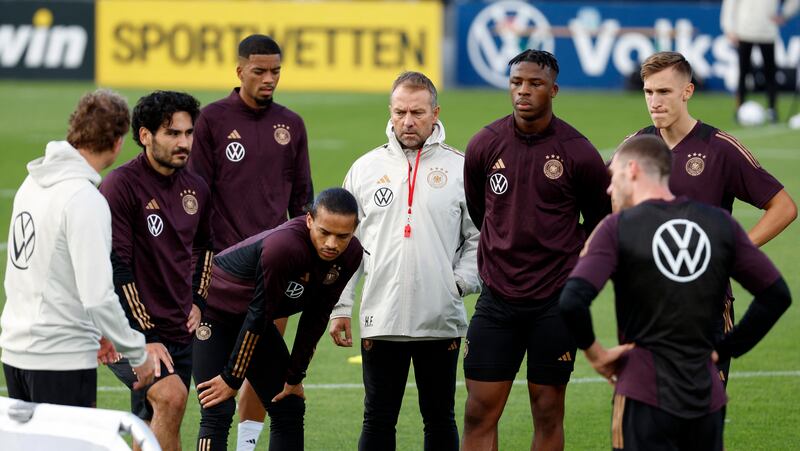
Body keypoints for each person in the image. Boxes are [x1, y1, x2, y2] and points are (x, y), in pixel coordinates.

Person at [559, 134, 792, 450]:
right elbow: (776, 295)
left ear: (633, 171)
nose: (610, 190)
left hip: (643, 391)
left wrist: (597, 356)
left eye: (613, 179)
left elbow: (573, 300)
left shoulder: (617, 228)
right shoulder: (719, 223)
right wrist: (726, 349)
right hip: (706, 396)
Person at [461, 49, 611, 450]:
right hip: (497, 300)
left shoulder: (579, 152)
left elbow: (601, 222)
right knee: (478, 411)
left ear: (554, 90)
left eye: (534, 84)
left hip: (555, 303)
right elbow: (481, 212)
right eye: (516, 82)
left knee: (547, 410)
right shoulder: (484, 145)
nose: (523, 91)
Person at [328, 71, 480, 451]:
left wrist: (458, 283)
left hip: (440, 319)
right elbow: (345, 245)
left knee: (439, 417)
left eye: (417, 112)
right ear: (390, 112)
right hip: (381, 317)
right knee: (377, 417)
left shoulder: (462, 169)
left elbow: (481, 239)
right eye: (400, 112)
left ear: (435, 113)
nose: (408, 121)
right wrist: (340, 307)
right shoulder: (364, 169)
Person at [629, 51, 796, 383]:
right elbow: (601, 209)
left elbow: (783, 207)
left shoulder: (720, 148)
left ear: (687, 92)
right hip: (646, 304)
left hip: (705, 304)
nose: (654, 101)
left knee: (701, 420)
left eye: (664, 92)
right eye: (649, 92)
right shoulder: (636, 148)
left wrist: (733, 251)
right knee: (649, 421)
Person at [187, 34, 314, 449]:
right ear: (239, 70)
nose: (269, 78)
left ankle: (247, 445)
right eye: (259, 71)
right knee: (217, 390)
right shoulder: (212, 120)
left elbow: (302, 202)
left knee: (267, 379)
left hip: (272, 270)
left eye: (276, 71)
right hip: (222, 275)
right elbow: (196, 195)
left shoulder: (292, 124)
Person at [1, 89, 154, 407]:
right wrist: (137, 353)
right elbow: (97, 296)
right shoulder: (84, 200)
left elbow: (36, 272)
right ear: (117, 143)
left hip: (16, 353)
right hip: (61, 359)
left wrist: (94, 330)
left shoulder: (32, 183)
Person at [191, 188, 363, 451]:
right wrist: (231, 379)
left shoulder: (351, 254)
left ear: (354, 231)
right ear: (309, 221)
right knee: (217, 407)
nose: (332, 244)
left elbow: (316, 316)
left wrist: (295, 377)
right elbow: (259, 315)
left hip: (253, 318)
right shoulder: (283, 247)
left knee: (288, 403)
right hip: (214, 312)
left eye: (343, 236)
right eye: (324, 232)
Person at [100, 90, 212, 450]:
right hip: (130, 329)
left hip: (179, 325)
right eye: (172, 134)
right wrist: (143, 336)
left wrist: (197, 300)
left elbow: (205, 247)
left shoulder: (196, 188)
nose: (184, 143)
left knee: (153, 419)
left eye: (188, 133)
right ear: (145, 135)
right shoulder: (121, 186)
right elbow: (117, 266)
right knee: (172, 397)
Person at [721, 0, 800, 122]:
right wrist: (728, 28)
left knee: (770, 73)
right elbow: (730, 3)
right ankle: (740, 108)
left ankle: (772, 109)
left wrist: (785, 14)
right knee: (743, 72)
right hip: (744, 31)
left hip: (766, 32)